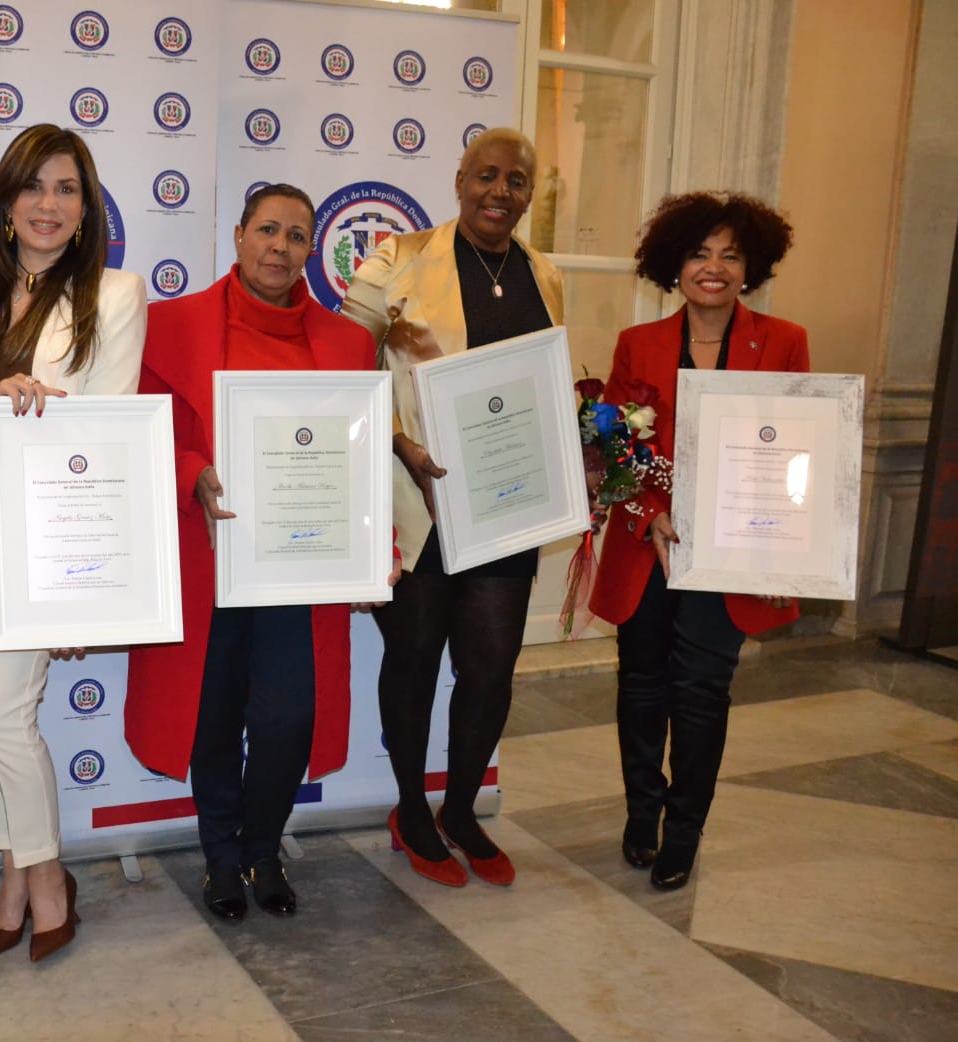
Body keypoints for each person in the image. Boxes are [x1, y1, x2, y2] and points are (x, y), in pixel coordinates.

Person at [126, 184, 380, 922]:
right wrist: (190, 474)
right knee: (210, 714)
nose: (279, 246)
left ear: (310, 250)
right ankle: (220, 860)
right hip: (206, 559)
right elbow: (150, 430)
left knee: (285, 718)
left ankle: (264, 846)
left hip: (298, 571)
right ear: (237, 236)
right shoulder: (170, 326)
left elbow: (357, 463)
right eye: (266, 230)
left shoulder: (348, 344)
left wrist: (373, 545)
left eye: (296, 235)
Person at [341, 128, 565, 889]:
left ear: (530, 195)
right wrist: (396, 443)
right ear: (459, 178)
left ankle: (461, 809)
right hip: (415, 503)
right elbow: (342, 370)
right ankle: (410, 808)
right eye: (486, 177)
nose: (500, 193)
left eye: (517, 183)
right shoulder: (396, 259)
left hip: (504, 507)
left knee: (490, 668)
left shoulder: (547, 274)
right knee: (411, 662)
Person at [0, 123, 146, 963]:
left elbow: (107, 439)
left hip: (41, 540)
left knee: (0, 717)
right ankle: (13, 879)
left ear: (86, 207)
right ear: (6, 202)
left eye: (67, 189)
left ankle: (48, 877)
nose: (49, 205)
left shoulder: (116, 294)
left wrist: (78, 580)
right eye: (34, 187)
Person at [590, 192, 806, 891]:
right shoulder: (637, 343)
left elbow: (801, 445)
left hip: (731, 546)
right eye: (696, 253)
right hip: (646, 542)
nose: (711, 268)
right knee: (642, 683)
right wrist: (649, 509)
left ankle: (682, 833)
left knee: (702, 691)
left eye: (729, 255)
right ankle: (639, 816)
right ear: (671, 264)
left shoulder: (783, 341)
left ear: (750, 267)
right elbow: (619, 442)